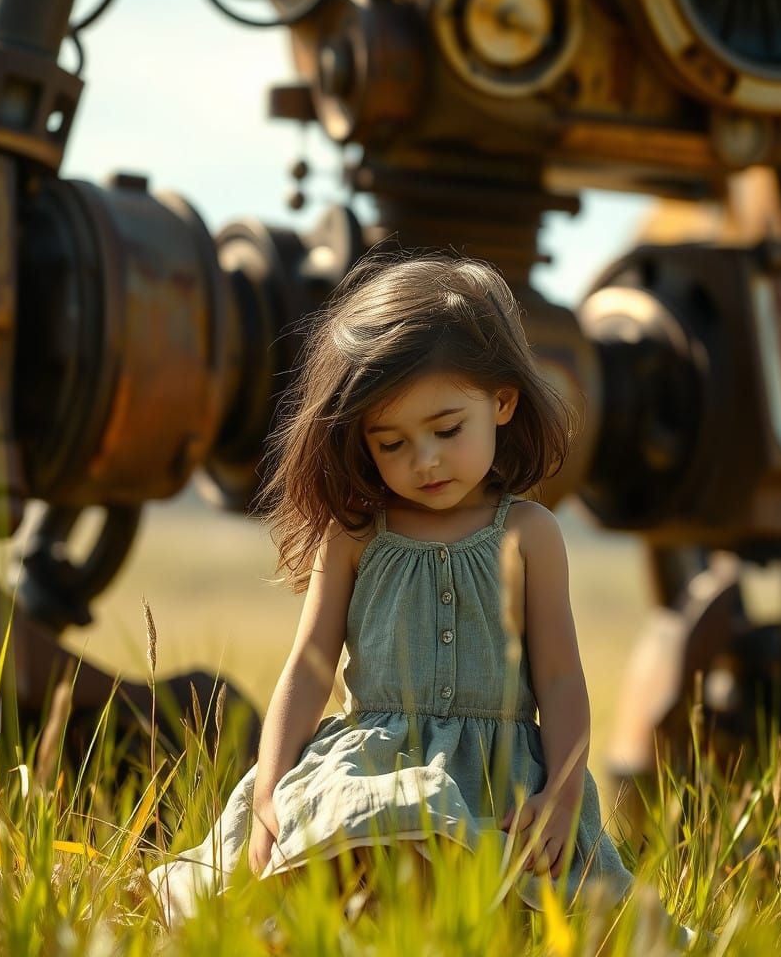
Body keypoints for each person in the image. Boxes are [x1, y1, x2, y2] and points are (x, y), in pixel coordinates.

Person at [149, 254, 634, 925]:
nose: (424, 460)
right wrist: (270, 782)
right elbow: (309, 666)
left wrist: (561, 796)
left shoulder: (532, 534)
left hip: (497, 780)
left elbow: (559, 679)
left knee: (552, 910)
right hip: (372, 765)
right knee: (334, 859)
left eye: (446, 430)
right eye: (391, 442)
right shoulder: (354, 535)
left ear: (502, 399)